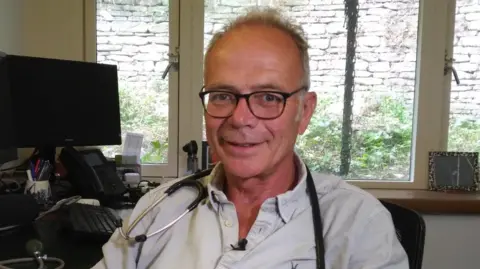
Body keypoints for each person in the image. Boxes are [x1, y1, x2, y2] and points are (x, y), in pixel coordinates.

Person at [92, 7, 409, 269]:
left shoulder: (359, 226)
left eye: (269, 97)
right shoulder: (157, 209)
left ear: (305, 111)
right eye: (222, 95)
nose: (240, 118)